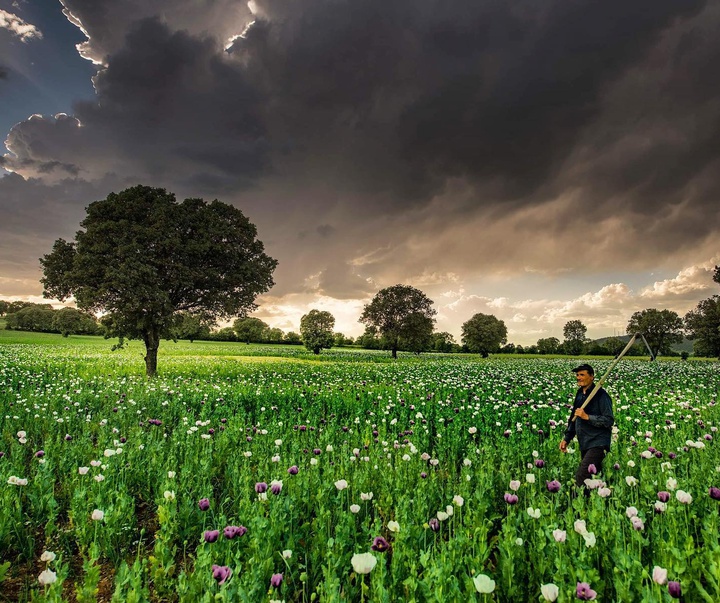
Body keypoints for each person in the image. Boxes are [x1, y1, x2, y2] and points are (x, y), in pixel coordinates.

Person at [559, 364, 614, 489]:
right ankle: (597, 504)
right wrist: (567, 438)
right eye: (577, 375)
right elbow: (574, 417)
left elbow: (609, 420)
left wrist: (587, 417)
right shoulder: (580, 394)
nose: (578, 377)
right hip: (585, 442)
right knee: (594, 478)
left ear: (592, 377)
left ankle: (578, 505)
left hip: (598, 443)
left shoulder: (601, 396)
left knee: (581, 476)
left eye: (582, 375)